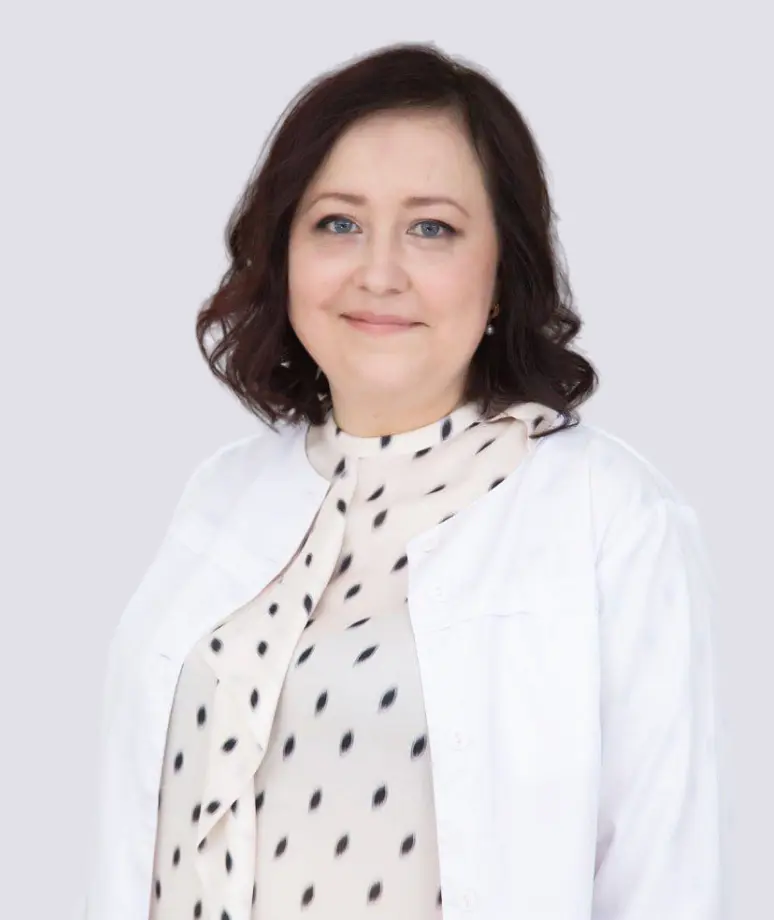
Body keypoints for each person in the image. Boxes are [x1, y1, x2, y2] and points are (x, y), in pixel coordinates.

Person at [77, 42, 726, 920]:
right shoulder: (221, 496)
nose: (378, 272)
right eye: (337, 223)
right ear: (286, 253)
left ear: (503, 273)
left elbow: (665, 881)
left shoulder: (611, 517)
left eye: (432, 229)